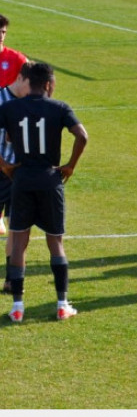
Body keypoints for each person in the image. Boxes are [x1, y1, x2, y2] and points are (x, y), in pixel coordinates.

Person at [0, 62, 88, 322]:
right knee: (55, 242)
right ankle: (62, 304)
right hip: (50, 179)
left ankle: (17, 308)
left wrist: (4, 165)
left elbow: (5, 138)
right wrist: (70, 166)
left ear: (28, 81)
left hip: (22, 179)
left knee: (18, 241)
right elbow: (82, 136)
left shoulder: (10, 108)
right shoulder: (59, 108)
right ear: (49, 84)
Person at [0, 62, 31, 294]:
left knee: (16, 227)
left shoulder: (30, 104)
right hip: (3, 168)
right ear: (20, 79)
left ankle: (11, 278)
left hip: (17, 173)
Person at [0, 14, 28, 236]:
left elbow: (35, 78)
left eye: (3, 33)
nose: (0, 37)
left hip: (10, 117)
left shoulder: (16, 58)